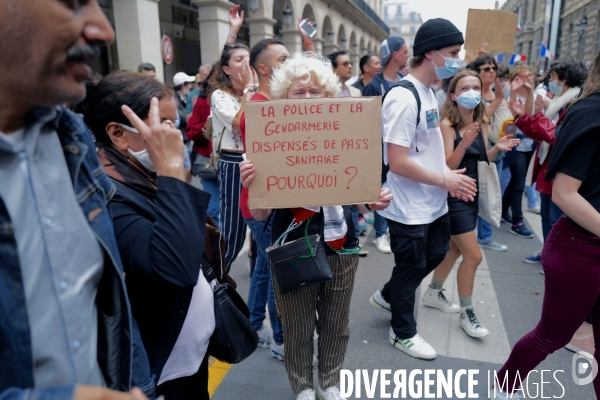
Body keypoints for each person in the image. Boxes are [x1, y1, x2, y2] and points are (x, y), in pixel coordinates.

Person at [0, 0, 153, 398]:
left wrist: (139, 386)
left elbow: (111, 308)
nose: (103, 30)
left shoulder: (73, 141)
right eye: (73, 4)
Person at [239, 52, 392, 400]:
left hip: (341, 240)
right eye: (299, 92)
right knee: (297, 325)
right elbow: (260, 219)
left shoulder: (345, 134)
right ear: (284, 99)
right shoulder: (268, 142)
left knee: (336, 323)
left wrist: (374, 201)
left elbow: (359, 201)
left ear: (327, 96)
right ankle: (303, 385)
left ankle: (330, 380)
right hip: (293, 242)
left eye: (314, 92)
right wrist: (252, 186)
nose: (308, 98)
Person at [83, 71, 215, 400]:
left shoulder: (147, 174)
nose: (174, 136)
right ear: (118, 133)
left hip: (190, 361)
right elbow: (176, 268)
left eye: (174, 124)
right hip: (160, 374)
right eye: (161, 125)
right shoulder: (108, 195)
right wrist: (172, 171)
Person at [490, 50, 600, 400]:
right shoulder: (590, 112)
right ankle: (503, 388)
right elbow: (565, 193)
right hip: (580, 251)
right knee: (552, 335)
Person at [369, 18, 477, 360]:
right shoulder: (402, 98)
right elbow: (397, 162)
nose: (457, 60)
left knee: (432, 256)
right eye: (452, 53)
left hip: (434, 203)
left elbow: (428, 151)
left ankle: (388, 295)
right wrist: (446, 179)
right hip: (408, 206)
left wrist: (449, 176)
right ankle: (403, 332)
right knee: (410, 267)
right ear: (430, 54)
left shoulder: (430, 93)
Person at [423, 71, 519, 338]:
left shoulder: (480, 119)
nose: (471, 92)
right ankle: (467, 312)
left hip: (473, 195)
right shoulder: (447, 124)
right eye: (464, 87)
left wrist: (496, 147)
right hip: (455, 196)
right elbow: (448, 166)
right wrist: (463, 143)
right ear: (453, 95)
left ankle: (433, 292)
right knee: (474, 256)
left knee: (454, 250)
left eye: (475, 87)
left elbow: (482, 159)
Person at [239, 37, 291, 360]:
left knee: (263, 267)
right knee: (275, 272)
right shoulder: (258, 108)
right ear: (263, 68)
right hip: (262, 204)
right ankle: (280, 339)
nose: (290, 63)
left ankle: (252, 325)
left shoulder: (274, 103)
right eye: (283, 59)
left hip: (268, 201)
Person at [507, 59, 588, 263]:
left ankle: (555, 259)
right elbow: (542, 133)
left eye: (552, 77)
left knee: (555, 219)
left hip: (561, 169)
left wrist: (530, 117)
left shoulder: (574, 103)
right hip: (549, 166)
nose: (549, 81)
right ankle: (547, 253)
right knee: (546, 216)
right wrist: (524, 117)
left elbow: (556, 136)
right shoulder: (561, 101)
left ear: (565, 78)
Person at [208, 42, 253, 271]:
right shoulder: (219, 96)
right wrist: (248, 90)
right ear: (226, 69)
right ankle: (217, 278)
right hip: (234, 161)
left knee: (262, 231)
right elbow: (239, 123)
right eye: (239, 59)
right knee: (233, 230)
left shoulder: (258, 90)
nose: (246, 63)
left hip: (257, 159)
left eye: (248, 58)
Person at [363, 36, 409, 255]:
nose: (408, 55)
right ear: (395, 54)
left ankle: (391, 231)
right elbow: (367, 121)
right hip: (379, 150)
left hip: (401, 146)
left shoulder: (405, 82)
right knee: (382, 190)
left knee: (398, 188)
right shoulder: (374, 85)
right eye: (405, 51)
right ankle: (381, 234)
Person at [468, 56, 510, 252]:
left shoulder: (496, 93)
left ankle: (485, 236)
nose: (492, 71)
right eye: (486, 68)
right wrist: (499, 100)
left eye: (494, 68)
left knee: (491, 193)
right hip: (474, 151)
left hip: (497, 151)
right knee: (470, 194)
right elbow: (480, 118)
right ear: (477, 72)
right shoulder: (470, 93)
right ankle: (464, 237)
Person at [501, 65, 537, 239]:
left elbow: (529, 117)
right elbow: (512, 119)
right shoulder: (510, 93)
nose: (529, 77)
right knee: (518, 183)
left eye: (531, 74)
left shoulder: (536, 95)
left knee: (515, 181)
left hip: (531, 144)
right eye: (525, 75)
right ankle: (517, 222)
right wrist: (514, 92)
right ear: (517, 77)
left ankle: (503, 210)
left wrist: (530, 93)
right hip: (516, 144)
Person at [187, 65, 221, 226]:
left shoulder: (241, 98)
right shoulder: (202, 100)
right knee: (213, 209)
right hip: (208, 162)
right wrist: (203, 128)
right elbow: (190, 132)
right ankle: (217, 245)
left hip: (235, 164)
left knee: (233, 211)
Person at [173, 72, 195, 140]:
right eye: (188, 84)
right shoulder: (173, 100)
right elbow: (182, 118)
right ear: (183, 85)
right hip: (182, 140)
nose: (191, 86)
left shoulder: (187, 98)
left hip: (189, 139)